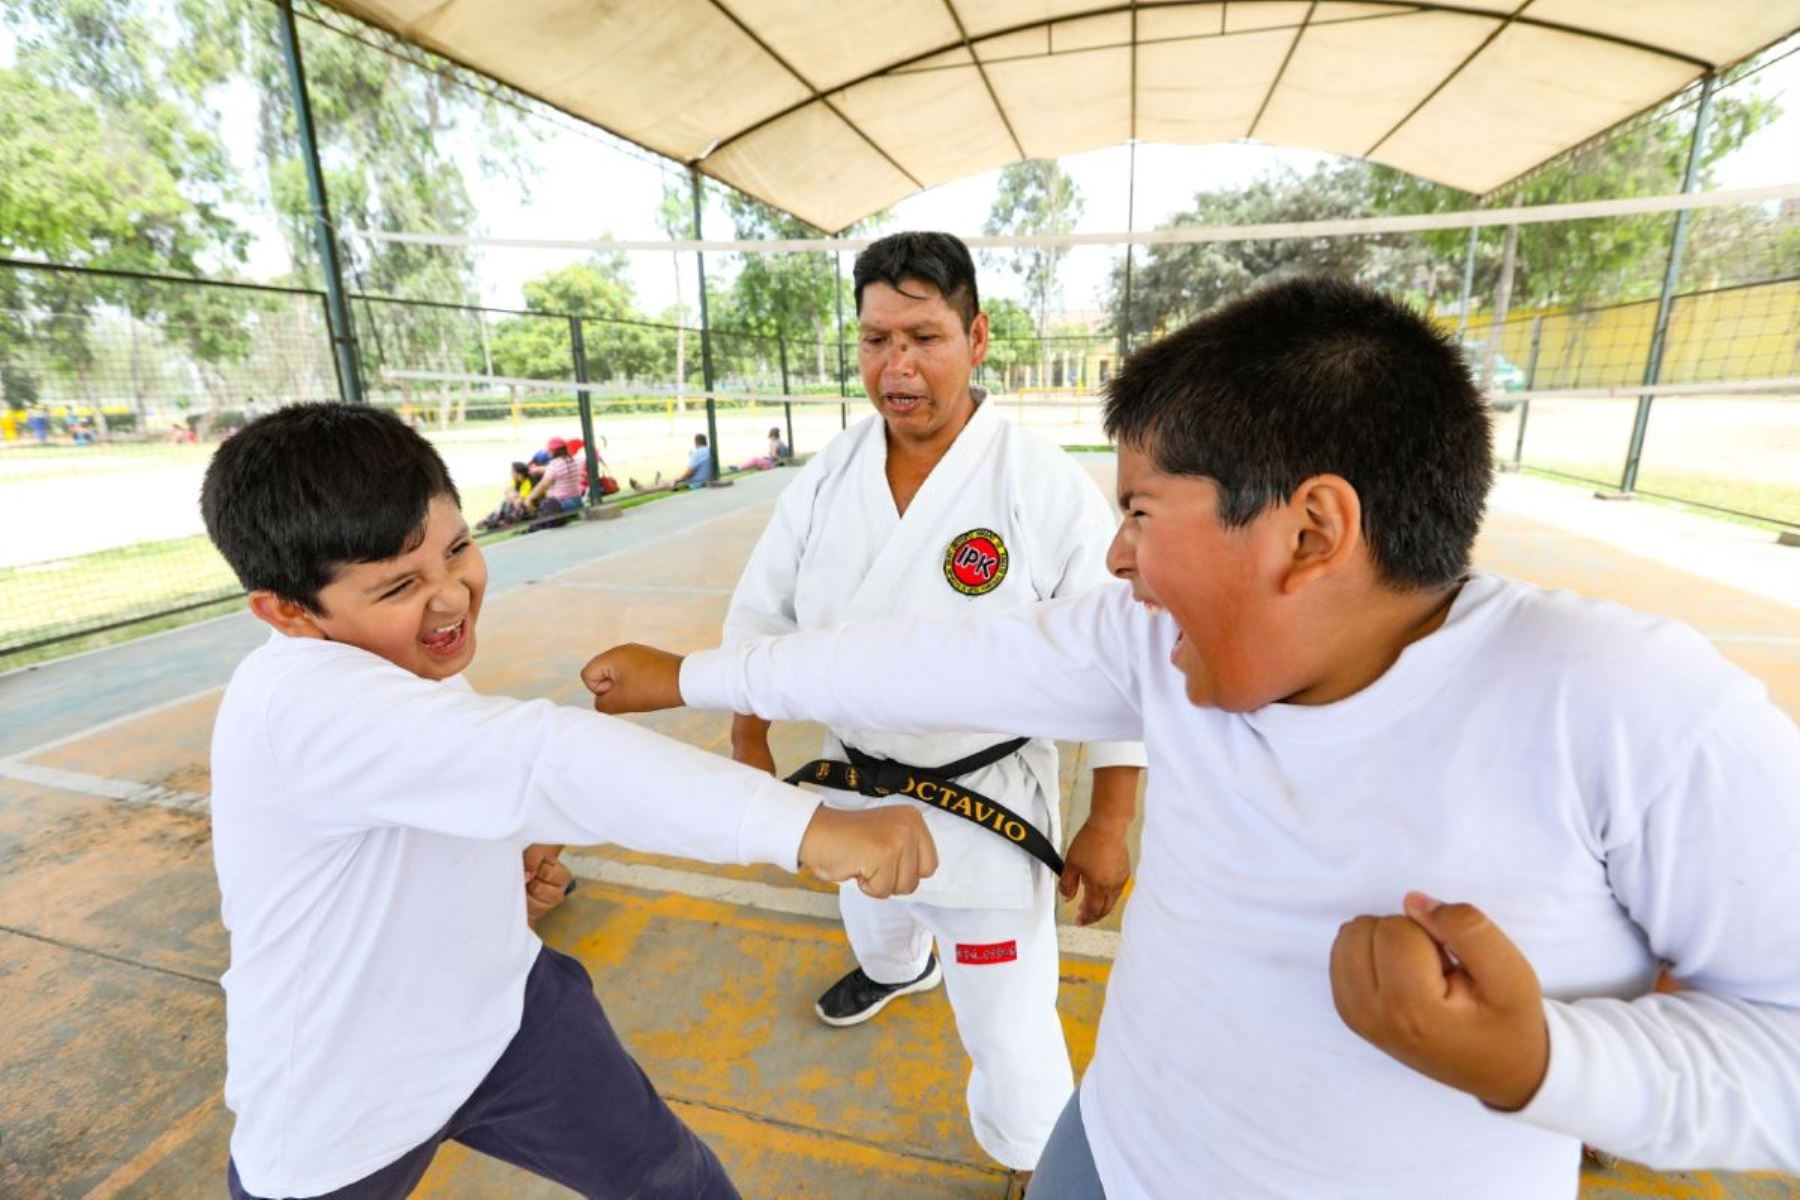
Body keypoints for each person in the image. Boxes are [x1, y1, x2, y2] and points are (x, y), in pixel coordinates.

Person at [581, 276, 1800, 1200]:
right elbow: (913, 652)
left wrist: (1547, 1066)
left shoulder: (1629, 707)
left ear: (1311, 531)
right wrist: (695, 673)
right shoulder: (1152, 652)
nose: (1117, 556)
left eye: (1143, 514)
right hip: (1109, 1155)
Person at [199, 403, 937, 1200]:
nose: (451, 597)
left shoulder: (398, 657)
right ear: (287, 611)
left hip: (505, 1016)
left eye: (459, 549)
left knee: (675, 1183)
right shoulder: (303, 702)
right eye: (401, 584)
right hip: (344, 1098)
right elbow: (546, 760)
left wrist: (480, 882)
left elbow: (446, 786)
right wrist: (808, 828)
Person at [678, 231, 1146, 1190]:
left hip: (987, 801)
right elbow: (760, 609)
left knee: (1012, 1028)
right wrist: (747, 738)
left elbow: (1114, 653)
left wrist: (1110, 817)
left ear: (977, 338)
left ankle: (1033, 1157)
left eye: (924, 337)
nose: (896, 365)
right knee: (875, 918)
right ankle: (897, 971)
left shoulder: (1037, 482)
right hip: (854, 782)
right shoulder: (830, 474)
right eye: (875, 339)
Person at [526, 436, 584, 526]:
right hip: (577, 502)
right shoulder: (574, 460)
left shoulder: (554, 465)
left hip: (561, 505)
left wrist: (529, 498)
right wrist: (537, 469)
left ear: (553, 451)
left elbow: (544, 484)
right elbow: (556, 469)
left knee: (537, 517)